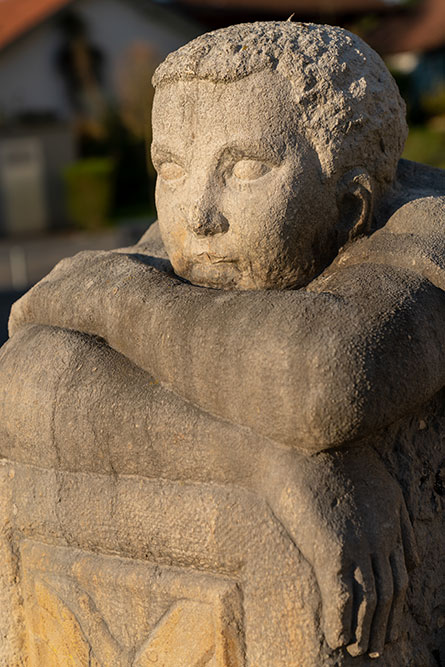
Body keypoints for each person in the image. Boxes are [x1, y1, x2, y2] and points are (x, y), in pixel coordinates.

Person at [2, 22, 445, 659]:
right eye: (172, 170)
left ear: (349, 204)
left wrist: (111, 296)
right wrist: (266, 457)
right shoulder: (199, 245)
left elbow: (320, 380)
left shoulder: (421, 228)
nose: (196, 215)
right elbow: (25, 373)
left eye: (243, 169)